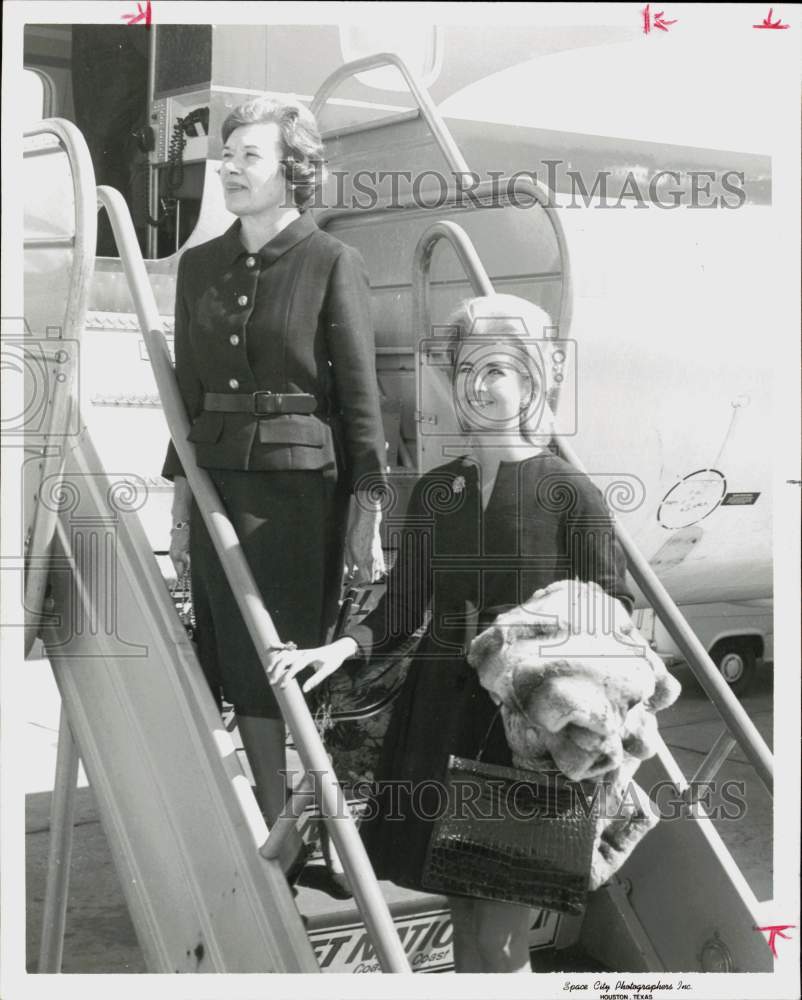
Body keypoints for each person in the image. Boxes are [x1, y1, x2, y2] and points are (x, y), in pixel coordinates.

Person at [269, 294, 633, 972]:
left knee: (501, 933)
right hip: (438, 718)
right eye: (466, 368)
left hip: (524, 737)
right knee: (465, 919)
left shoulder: (569, 492)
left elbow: (614, 604)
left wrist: (533, 648)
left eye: (496, 367)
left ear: (532, 377)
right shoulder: (438, 490)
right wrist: (343, 645)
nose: (479, 384)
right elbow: (404, 602)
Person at [163, 97, 387, 878]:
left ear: (293, 171)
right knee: (241, 663)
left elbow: (360, 401)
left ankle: (307, 827)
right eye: (226, 155)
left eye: (248, 155)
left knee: (299, 659)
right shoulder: (198, 266)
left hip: (302, 496)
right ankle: (275, 827)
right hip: (221, 480)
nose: (229, 167)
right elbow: (185, 396)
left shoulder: (331, 262)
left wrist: (368, 511)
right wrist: (181, 502)